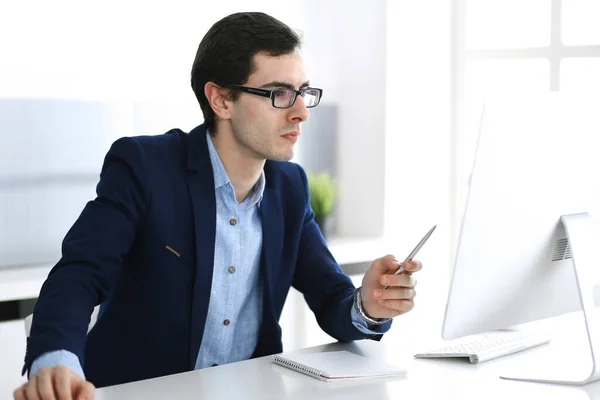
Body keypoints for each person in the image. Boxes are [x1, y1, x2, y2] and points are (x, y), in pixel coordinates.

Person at [14, 11, 421, 400]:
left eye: (303, 92)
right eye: (279, 93)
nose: (300, 112)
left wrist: (367, 304)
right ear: (220, 100)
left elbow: (332, 299)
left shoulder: (289, 187)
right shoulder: (145, 167)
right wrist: (57, 361)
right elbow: (79, 275)